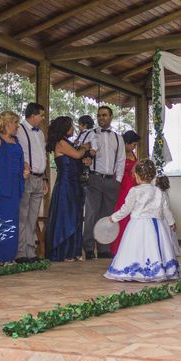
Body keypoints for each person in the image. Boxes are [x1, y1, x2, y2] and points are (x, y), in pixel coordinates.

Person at [104, 159, 179, 282]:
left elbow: (126, 209)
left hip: (137, 225)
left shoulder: (134, 191)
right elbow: (166, 209)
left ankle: (136, 270)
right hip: (156, 226)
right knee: (154, 246)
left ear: (137, 176)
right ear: (153, 175)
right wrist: (171, 223)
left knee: (136, 248)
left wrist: (113, 218)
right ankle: (157, 269)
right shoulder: (158, 191)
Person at [0, 111, 27, 263]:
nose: (17, 127)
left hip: (14, 186)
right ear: (7, 123)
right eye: (15, 123)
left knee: (11, 220)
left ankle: (8, 256)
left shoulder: (16, 141)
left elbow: (20, 160)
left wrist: (24, 169)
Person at [83, 106, 125, 259]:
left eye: (105, 115)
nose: (101, 118)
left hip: (110, 181)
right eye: (99, 115)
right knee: (91, 213)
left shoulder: (118, 137)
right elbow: (80, 149)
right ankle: (88, 248)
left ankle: (103, 248)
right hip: (94, 178)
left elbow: (121, 160)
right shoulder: (90, 134)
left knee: (107, 215)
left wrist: (118, 181)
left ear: (111, 117)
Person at [45, 116, 89, 261]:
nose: (73, 129)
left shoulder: (67, 143)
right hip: (65, 184)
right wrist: (84, 148)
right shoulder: (61, 143)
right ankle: (63, 251)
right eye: (70, 126)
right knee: (66, 216)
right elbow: (76, 155)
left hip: (74, 183)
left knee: (75, 215)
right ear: (64, 128)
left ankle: (73, 251)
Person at [15, 103, 48, 263]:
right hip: (26, 177)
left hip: (39, 177)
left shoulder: (41, 133)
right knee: (23, 215)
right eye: (41, 115)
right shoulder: (19, 130)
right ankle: (20, 252)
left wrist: (45, 178)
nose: (43, 118)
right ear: (33, 115)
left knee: (33, 216)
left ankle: (30, 251)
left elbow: (43, 156)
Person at [110, 130, 141, 256]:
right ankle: (118, 247)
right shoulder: (119, 153)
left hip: (134, 184)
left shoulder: (132, 153)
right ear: (126, 143)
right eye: (133, 144)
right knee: (123, 213)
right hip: (123, 186)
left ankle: (132, 246)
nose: (134, 147)